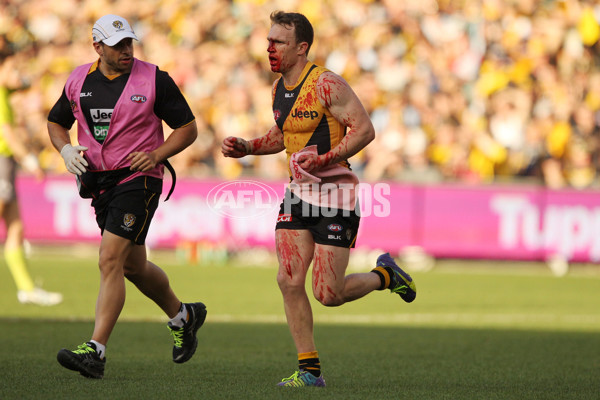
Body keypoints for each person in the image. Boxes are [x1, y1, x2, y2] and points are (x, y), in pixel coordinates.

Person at [222, 11, 417, 387]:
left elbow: (365, 130)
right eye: (269, 40)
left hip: (335, 196)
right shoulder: (279, 88)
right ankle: (309, 370)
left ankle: (386, 275)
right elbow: (284, 135)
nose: (269, 47)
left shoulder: (327, 84)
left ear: (301, 47)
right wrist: (247, 146)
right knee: (288, 280)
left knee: (329, 293)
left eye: (278, 42)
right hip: (297, 195)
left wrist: (324, 159)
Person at [47, 14, 206, 379]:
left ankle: (96, 352)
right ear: (97, 47)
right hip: (99, 185)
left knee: (109, 260)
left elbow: (188, 128)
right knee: (133, 267)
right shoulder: (78, 80)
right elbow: (56, 121)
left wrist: (157, 155)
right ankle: (185, 316)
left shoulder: (154, 79)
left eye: (129, 43)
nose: (126, 50)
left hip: (140, 179)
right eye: (118, 45)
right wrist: (65, 150)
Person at [0, 54, 63, 306]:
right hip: (2, 161)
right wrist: (30, 160)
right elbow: (7, 133)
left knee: (15, 226)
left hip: (5, 163)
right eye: (14, 67)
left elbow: (22, 84)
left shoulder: (6, 94)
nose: (19, 72)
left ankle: (26, 288)